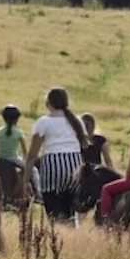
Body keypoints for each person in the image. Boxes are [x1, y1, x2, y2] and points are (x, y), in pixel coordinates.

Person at [22, 87, 89, 225]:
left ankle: (58, 232)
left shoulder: (44, 122)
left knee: (54, 214)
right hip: (75, 166)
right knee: (71, 213)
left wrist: (26, 180)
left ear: (48, 103)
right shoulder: (76, 121)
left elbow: (32, 155)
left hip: (53, 166)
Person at [0, 104, 41, 200]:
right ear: (17, 119)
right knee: (34, 170)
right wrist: (26, 160)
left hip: (0, 157)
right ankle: (38, 193)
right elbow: (25, 151)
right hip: (13, 158)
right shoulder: (18, 132)